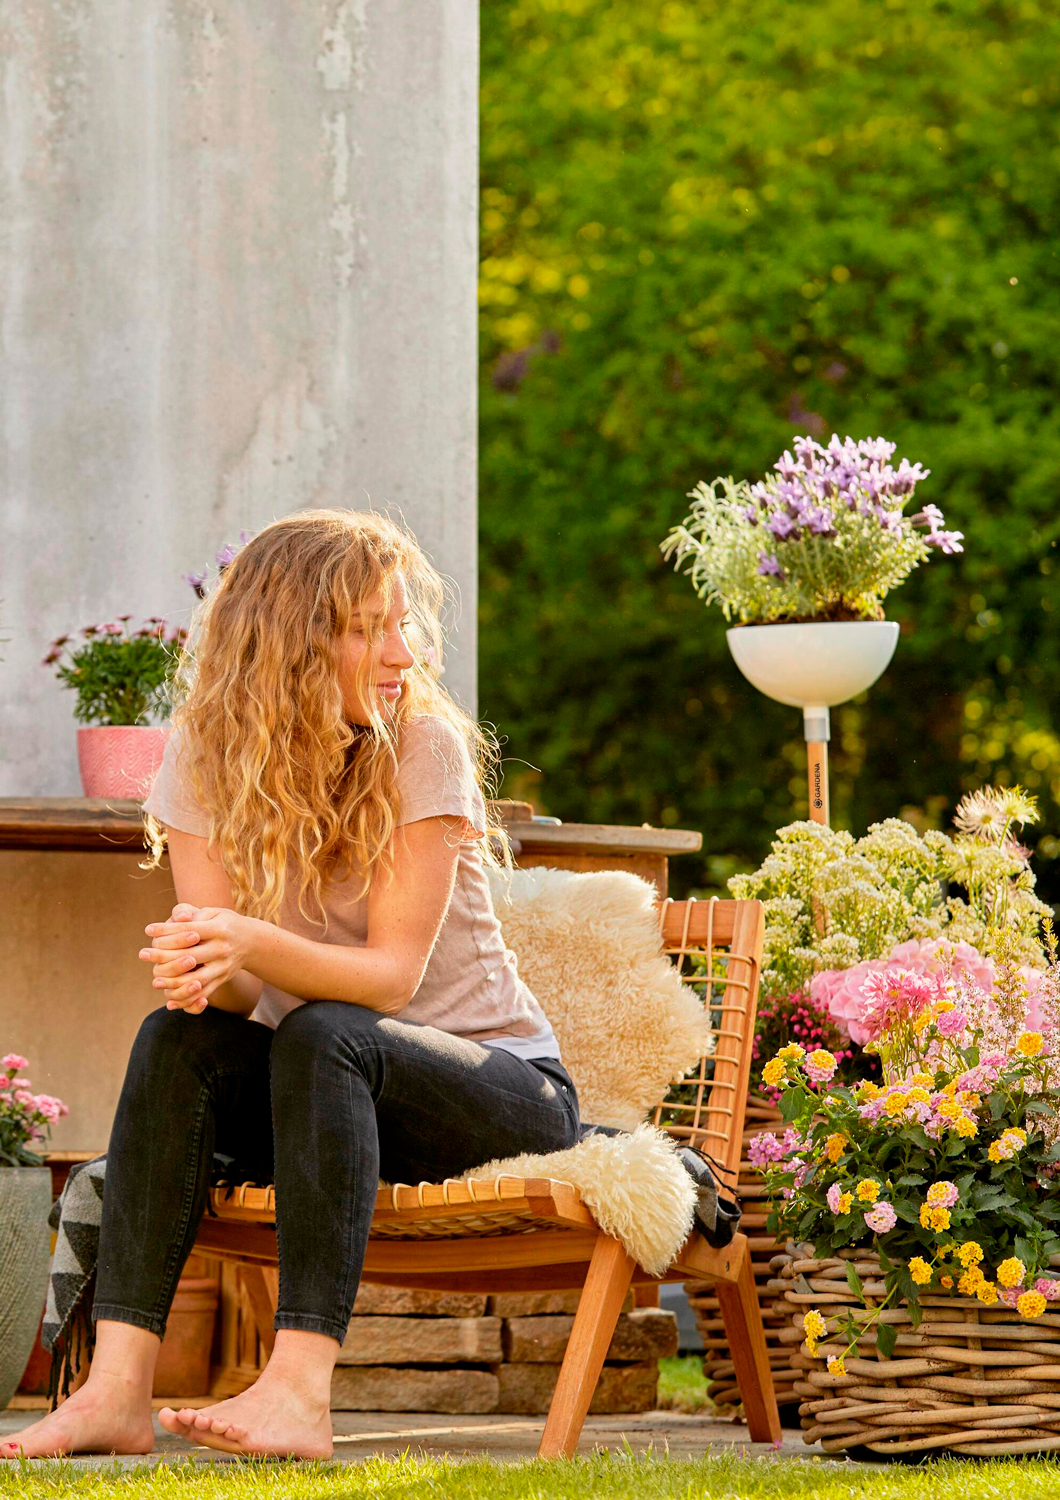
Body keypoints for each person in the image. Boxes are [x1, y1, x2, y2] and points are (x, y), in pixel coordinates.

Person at [2, 510, 579, 1460]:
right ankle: (115, 1391)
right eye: (367, 627)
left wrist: (248, 942)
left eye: (403, 624)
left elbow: (387, 982)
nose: (402, 653)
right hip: (323, 1093)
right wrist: (210, 969)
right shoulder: (199, 760)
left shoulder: (421, 746)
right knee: (175, 1037)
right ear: (293, 639)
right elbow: (232, 1001)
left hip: (501, 1091)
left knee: (325, 1030)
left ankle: (300, 1392)